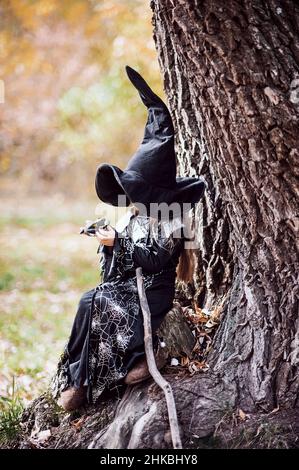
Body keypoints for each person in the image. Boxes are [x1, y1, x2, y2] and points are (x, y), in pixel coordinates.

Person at [51, 66, 206, 411]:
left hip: (153, 290)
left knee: (106, 304)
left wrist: (118, 244)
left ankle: (134, 362)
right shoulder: (134, 216)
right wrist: (107, 243)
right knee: (89, 299)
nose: (131, 199)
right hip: (127, 285)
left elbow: (154, 259)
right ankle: (79, 380)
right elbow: (114, 271)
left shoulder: (175, 220)